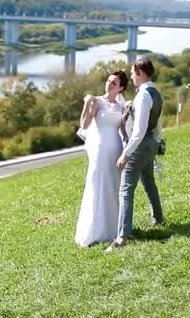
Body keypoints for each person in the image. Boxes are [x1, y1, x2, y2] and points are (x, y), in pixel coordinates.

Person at [108, 58, 164, 251]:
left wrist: (126, 153)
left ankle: (123, 236)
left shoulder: (142, 96)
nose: (131, 75)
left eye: (133, 72)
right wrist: (156, 144)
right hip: (151, 143)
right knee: (149, 182)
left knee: (126, 189)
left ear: (140, 72)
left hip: (139, 145)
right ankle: (158, 218)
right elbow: (158, 124)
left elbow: (138, 131)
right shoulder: (156, 93)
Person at [74, 70, 128, 247]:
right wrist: (87, 105)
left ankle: (114, 229)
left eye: (114, 83)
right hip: (99, 150)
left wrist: (128, 151)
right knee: (97, 185)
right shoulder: (96, 101)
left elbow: (123, 131)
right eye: (108, 81)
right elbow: (84, 125)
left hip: (116, 150)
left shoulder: (121, 107)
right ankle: (95, 230)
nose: (109, 84)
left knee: (114, 186)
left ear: (120, 88)